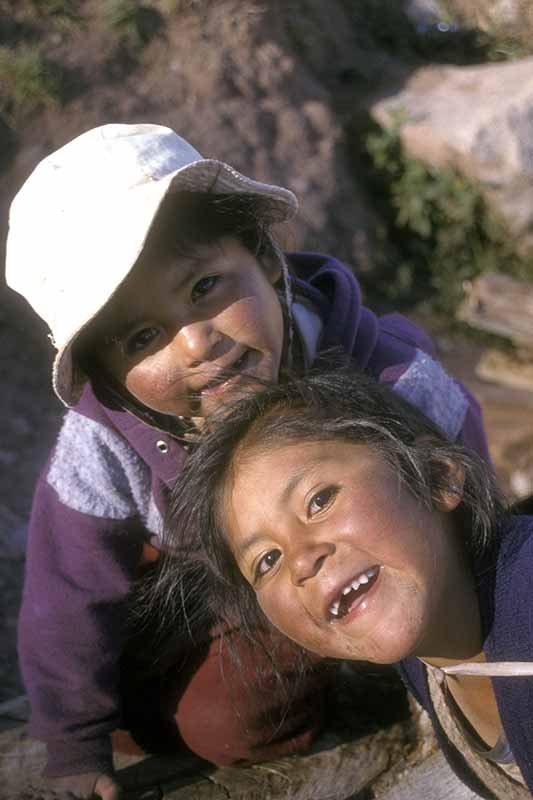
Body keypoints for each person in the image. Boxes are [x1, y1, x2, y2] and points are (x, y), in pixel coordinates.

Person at [6, 122, 490, 800]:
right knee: (202, 721)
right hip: (193, 572)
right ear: (106, 377)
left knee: (242, 721)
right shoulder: (102, 444)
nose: (196, 342)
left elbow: (470, 501)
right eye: (144, 336)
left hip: (333, 557)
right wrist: (72, 739)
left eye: (205, 286)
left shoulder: (392, 380)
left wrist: (465, 650)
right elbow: (67, 590)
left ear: (265, 257)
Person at [164, 367, 533, 799]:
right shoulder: (425, 658)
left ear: (438, 476)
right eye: (266, 561)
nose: (301, 560)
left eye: (319, 501)